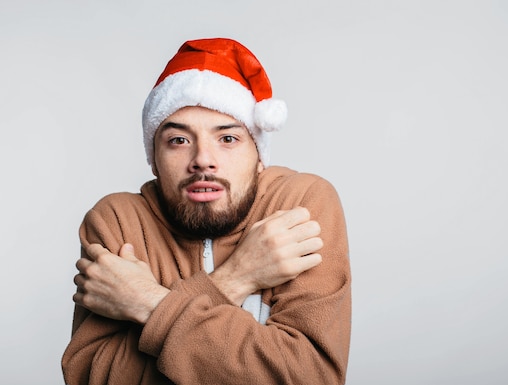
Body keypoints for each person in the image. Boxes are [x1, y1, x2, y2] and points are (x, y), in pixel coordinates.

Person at [61, 38, 351, 385]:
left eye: (227, 139)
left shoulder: (300, 202)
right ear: (154, 158)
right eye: (178, 140)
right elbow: (93, 377)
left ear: (259, 156)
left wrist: (149, 302)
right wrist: (237, 277)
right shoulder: (117, 221)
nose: (202, 159)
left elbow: (309, 376)